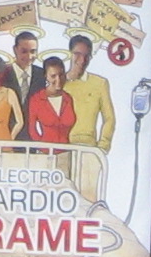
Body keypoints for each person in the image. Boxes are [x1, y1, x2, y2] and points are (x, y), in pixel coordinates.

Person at [63, 34, 116, 201]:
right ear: (70, 54)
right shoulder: (57, 82)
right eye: (77, 54)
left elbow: (109, 118)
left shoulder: (99, 83)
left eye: (86, 55)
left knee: (88, 199)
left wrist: (102, 147)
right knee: (61, 198)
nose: (82, 60)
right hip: (60, 149)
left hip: (88, 150)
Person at [25, 56, 78, 157]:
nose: (58, 79)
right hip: (44, 154)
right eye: (53, 76)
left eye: (61, 75)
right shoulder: (36, 99)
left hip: (66, 153)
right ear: (46, 76)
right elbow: (32, 130)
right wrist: (43, 148)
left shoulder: (68, 98)